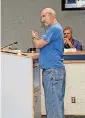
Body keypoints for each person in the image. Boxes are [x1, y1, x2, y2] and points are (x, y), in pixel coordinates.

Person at [31, 8, 66, 118]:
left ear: (51, 15)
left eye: (43, 16)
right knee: (57, 104)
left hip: (52, 72)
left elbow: (38, 45)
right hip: (55, 71)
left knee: (53, 105)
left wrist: (34, 38)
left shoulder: (53, 29)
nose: (42, 19)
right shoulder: (57, 28)